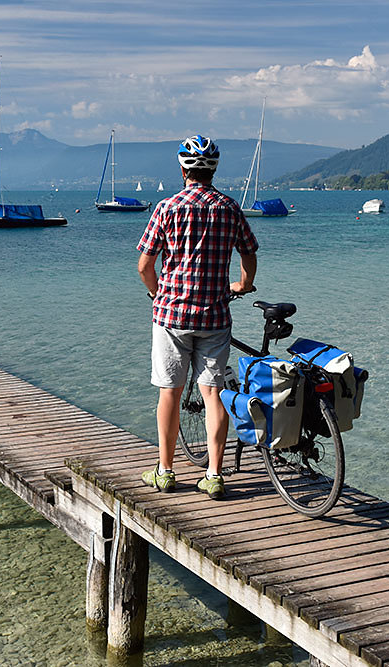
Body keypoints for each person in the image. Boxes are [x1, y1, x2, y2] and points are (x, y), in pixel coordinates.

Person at [136, 135, 258, 499]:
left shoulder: (167, 207)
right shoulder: (229, 207)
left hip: (172, 316)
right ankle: (215, 475)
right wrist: (242, 284)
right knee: (213, 395)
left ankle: (165, 471)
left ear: (182, 168)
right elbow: (249, 254)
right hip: (215, 316)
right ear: (214, 169)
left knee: (169, 393)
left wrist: (160, 293)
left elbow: (144, 265)